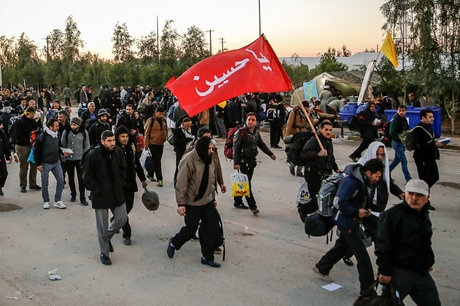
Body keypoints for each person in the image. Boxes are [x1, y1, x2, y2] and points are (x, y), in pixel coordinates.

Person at [312, 159, 384, 297]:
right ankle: (367, 291)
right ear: (368, 172)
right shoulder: (351, 181)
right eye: (376, 176)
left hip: (352, 220)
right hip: (346, 221)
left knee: (342, 246)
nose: (377, 179)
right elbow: (339, 202)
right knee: (362, 257)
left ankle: (322, 267)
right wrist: (357, 212)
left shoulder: (363, 180)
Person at [375, 179, 441, 306]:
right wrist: (385, 271)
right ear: (405, 194)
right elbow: (383, 245)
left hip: (422, 274)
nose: (414, 198)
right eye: (410, 194)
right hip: (399, 274)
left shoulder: (423, 215)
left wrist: (428, 260)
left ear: (427, 198)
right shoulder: (392, 215)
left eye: (419, 195)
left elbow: (425, 242)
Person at [342, 141, 404, 266]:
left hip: (378, 208)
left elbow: (387, 181)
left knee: (358, 238)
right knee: (378, 236)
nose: (380, 158)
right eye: (377, 154)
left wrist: (400, 193)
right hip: (367, 210)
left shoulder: (381, 168)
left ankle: (337, 257)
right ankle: (383, 265)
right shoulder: (362, 169)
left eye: (382, 155)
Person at [167, 136, 222, 268]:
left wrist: (213, 197)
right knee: (190, 230)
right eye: (209, 148)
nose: (211, 151)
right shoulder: (189, 160)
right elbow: (181, 183)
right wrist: (181, 204)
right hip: (192, 202)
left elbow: (211, 179)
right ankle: (174, 242)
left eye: (212, 148)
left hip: (207, 201)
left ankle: (207, 257)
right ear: (202, 148)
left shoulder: (210, 158)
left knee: (210, 229)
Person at [82, 130, 128, 265]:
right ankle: (104, 253)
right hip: (100, 194)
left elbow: (124, 169)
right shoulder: (93, 154)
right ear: (102, 141)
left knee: (122, 218)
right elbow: (86, 176)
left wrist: (121, 182)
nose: (112, 143)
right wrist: (96, 188)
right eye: (109, 141)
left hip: (116, 192)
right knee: (102, 226)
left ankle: (106, 237)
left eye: (113, 140)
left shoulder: (118, 152)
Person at [233, 112, 276, 215]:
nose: (250, 122)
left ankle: (237, 201)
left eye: (253, 120)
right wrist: (236, 162)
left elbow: (261, 144)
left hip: (252, 162)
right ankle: (253, 206)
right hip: (243, 162)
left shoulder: (256, 133)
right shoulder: (241, 132)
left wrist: (270, 154)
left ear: (256, 122)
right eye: (249, 120)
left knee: (243, 183)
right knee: (247, 185)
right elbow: (236, 148)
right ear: (246, 121)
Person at [299, 121, 338, 220]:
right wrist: (317, 154)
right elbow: (304, 154)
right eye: (326, 130)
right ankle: (303, 209)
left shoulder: (328, 141)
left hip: (325, 173)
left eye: (330, 130)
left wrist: (336, 169)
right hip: (313, 173)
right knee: (316, 198)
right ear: (320, 129)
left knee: (324, 196)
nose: (328, 132)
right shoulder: (315, 140)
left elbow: (331, 157)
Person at [115, 125, 147, 245]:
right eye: (122, 137)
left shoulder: (130, 148)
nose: (125, 139)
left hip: (130, 184)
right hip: (119, 185)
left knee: (129, 207)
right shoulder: (114, 150)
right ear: (117, 137)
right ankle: (127, 234)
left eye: (126, 136)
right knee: (123, 212)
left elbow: (136, 164)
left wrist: (143, 179)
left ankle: (116, 220)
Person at [412, 108, 445, 210]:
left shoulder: (429, 127)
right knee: (425, 181)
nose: (432, 119)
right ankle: (423, 200)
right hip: (422, 159)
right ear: (423, 118)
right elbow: (419, 146)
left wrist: (437, 144)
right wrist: (434, 145)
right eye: (430, 117)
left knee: (434, 177)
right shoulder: (418, 129)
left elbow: (429, 141)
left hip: (430, 157)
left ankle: (420, 193)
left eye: (432, 116)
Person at [34, 118, 66, 209]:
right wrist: (38, 164)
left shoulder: (57, 134)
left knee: (60, 181)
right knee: (45, 183)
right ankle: (46, 201)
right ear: (50, 127)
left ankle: (57, 200)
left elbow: (59, 146)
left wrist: (64, 152)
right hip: (45, 163)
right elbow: (37, 152)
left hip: (56, 162)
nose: (58, 128)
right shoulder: (42, 136)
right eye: (56, 126)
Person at [61, 117, 90, 205]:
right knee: (71, 177)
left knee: (81, 179)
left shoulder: (84, 133)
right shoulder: (66, 132)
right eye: (72, 124)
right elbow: (63, 143)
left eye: (75, 125)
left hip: (80, 159)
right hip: (69, 159)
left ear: (79, 125)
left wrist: (84, 157)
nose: (72, 126)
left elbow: (87, 146)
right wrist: (64, 155)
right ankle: (73, 194)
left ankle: (82, 197)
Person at [13, 106, 41, 193]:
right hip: (22, 146)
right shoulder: (19, 122)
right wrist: (27, 139)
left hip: (32, 146)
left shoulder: (33, 121)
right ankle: (23, 185)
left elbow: (37, 131)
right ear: (31, 113)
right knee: (24, 166)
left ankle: (33, 183)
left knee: (33, 164)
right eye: (34, 113)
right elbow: (17, 136)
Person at [144, 106, 168, 186]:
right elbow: (146, 133)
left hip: (161, 144)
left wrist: (166, 137)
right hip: (152, 143)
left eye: (162, 114)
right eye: (159, 113)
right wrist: (146, 145)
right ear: (156, 112)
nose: (161, 115)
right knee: (158, 162)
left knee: (156, 161)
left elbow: (166, 130)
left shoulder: (164, 120)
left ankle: (150, 174)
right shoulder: (151, 120)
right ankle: (160, 179)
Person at [389, 105, 412, 182]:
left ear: (405, 111)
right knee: (403, 160)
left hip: (402, 143)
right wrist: (400, 138)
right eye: (400, 110)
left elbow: (407, 129)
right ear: (397, 111)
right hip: (397, 143)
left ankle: (386, 173)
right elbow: (392, 132)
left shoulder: (404, 119)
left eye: (403, 111)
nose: (401, 112)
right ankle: (408, 179)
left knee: (397, 159)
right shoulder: (394, 120)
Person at [285, 103, 308, 177]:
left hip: (304, 135)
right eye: (305, 108)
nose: (306, 109)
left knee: (303, 153)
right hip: (296, 135)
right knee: (296, 152)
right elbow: (289, 124)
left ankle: (299, 171)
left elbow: (311, 122)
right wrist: (287, 135)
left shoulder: (306, 114)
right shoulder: (294, 112)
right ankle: (292, 164)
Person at [172, 117, 194, 184]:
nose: (188, 127)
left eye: (190, 126)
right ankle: (176, 179)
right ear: (183, 124)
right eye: (187, 126)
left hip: (190, 151)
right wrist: (187, 140)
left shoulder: (192, 130)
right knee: (179, 165)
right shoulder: (177, 131)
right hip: (180, 151)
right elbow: (176, 142)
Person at [0, 122, 12, 196]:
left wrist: (9, 155)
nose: (1, 126)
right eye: (0, 125)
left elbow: (5, 144)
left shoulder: (2, 133)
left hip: (1, 156)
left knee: (4, 173)